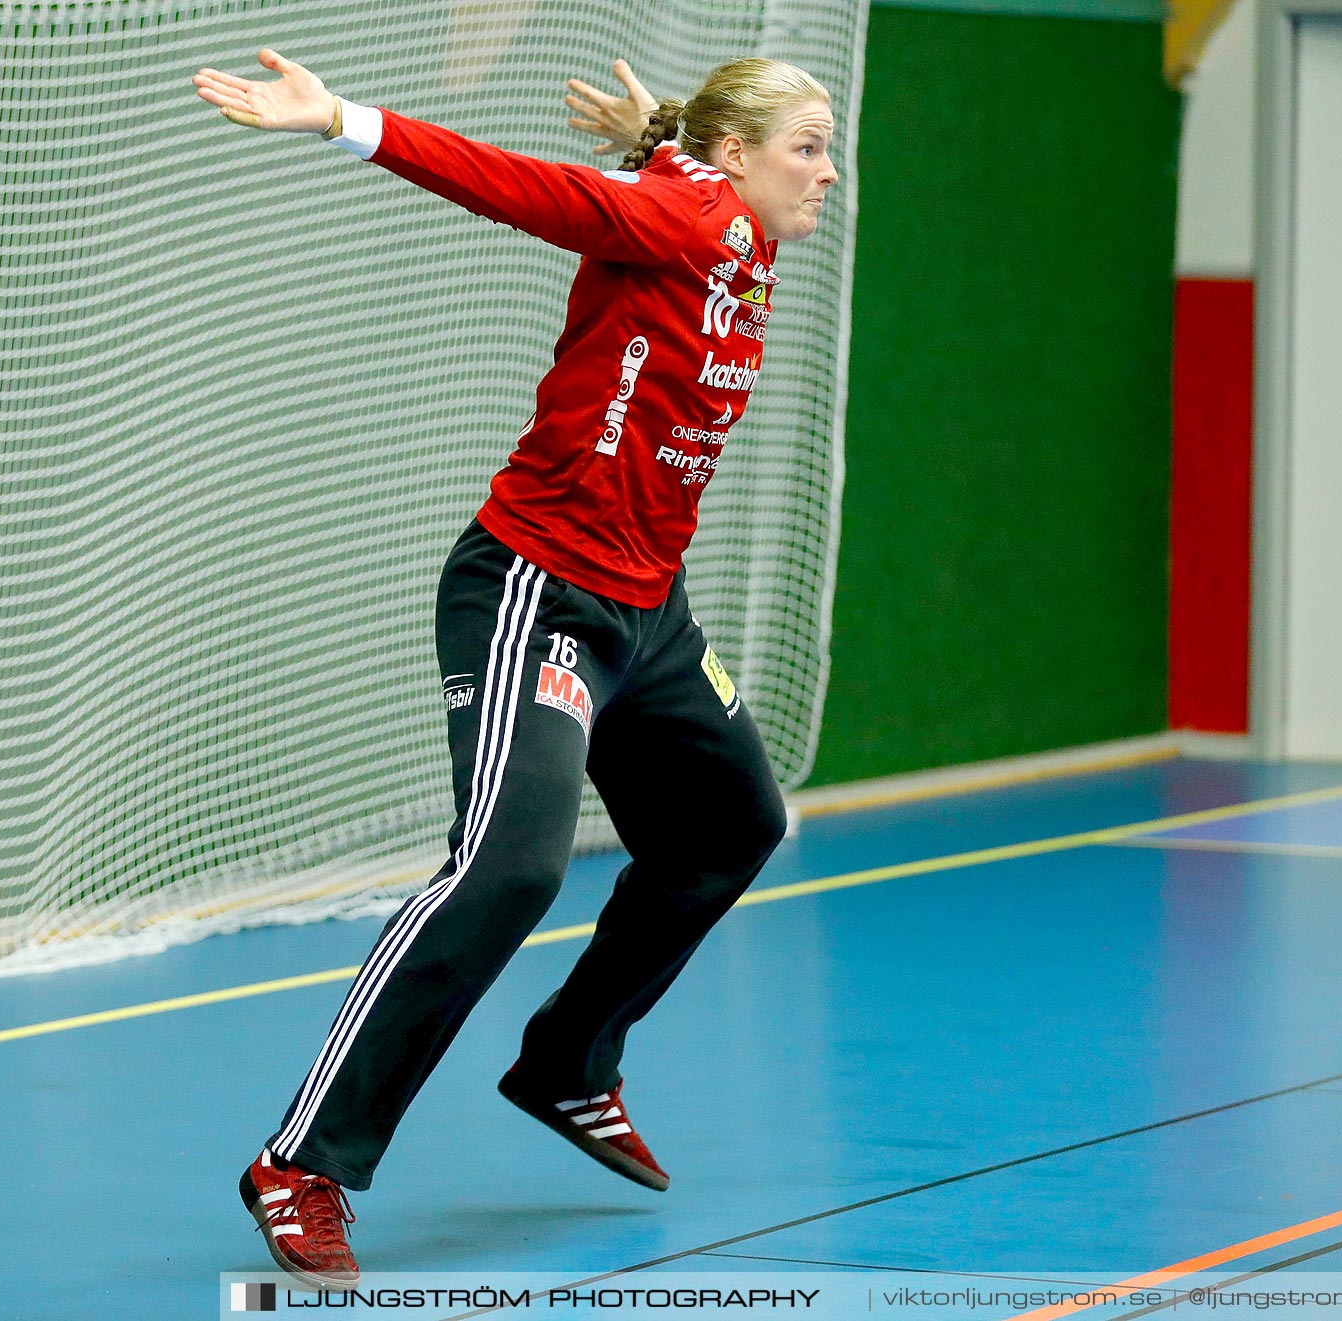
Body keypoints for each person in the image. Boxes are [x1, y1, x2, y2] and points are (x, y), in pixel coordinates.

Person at [189, 47, 838, 1287]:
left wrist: (659, 133)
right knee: (511, 865)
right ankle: (302, 1163)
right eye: (806, 147)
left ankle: (567, 1062)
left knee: (732, 822)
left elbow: (660, 178)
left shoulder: (737, 233)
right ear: (740, 156)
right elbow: (516, 188)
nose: (826, 173)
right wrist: (345, 120)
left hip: (653, 615)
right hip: (539, 593)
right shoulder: (680, 212)